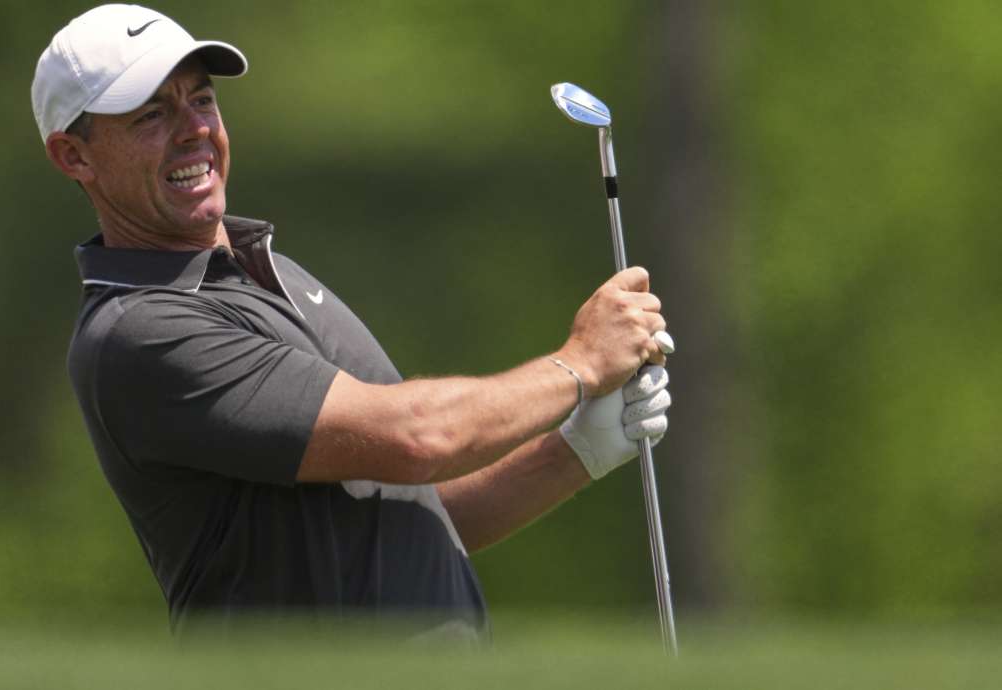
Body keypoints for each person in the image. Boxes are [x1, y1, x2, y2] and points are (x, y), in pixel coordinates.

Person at [33, 4, 673, 641]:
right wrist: (578, 365)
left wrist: (574, 450)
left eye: (201, 99)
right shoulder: (140, 331)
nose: (193, 129)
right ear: (73, 156)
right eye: (151, 114)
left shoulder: (274, 273)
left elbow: (408, 520)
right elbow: (417, 438)